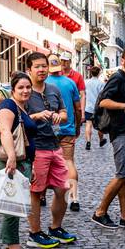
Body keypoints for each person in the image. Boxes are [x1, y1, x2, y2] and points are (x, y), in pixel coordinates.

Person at [18, 51, 73, 249]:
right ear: (29, 70)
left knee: (64, 188)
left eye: (44, 66)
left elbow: (65, 112)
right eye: (38, 67)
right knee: (36, 191)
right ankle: (34, 233)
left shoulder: (53, 89)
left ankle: (55, 227)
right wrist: (37, 115)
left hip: (55, 145)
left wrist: (60, 116)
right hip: (36, 148)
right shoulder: (24, 92)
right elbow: (18, 118)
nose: (42, 70)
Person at [92, 45, 125, 229]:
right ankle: (100, 212)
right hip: (120, 132)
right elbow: (103, 102)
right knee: (122, 174)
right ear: (122, 60)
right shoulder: (117, 77)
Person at [0, 72, 41, 249]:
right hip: (13, 164)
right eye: (21, 87)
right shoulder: (8, 106)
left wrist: (32, 163)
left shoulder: (22, 107)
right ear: (12, 89)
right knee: (12, 208)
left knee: (14, 206)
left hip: (23, 162)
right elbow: (4, 131)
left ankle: (10, 246)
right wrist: (12, 157)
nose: (25, 90)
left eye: (28, 87)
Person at [46, 54, 83, 218]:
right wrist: (77, 126)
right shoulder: (70, 83)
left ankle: (40, 196)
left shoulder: (44, 83)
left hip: (48, 130)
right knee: (69, 162)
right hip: (67, 129)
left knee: (44, 161)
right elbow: (77, 108)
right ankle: (74, 198)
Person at [84, 64, 106, 150]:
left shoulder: (86, 82)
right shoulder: (101, 84)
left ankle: (88, 142)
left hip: (88, 107)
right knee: (100, 125)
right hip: (98, 107)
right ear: (99, 73)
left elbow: (84, 94)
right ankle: (101, 140)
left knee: (88, 124)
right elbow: (103, 95)